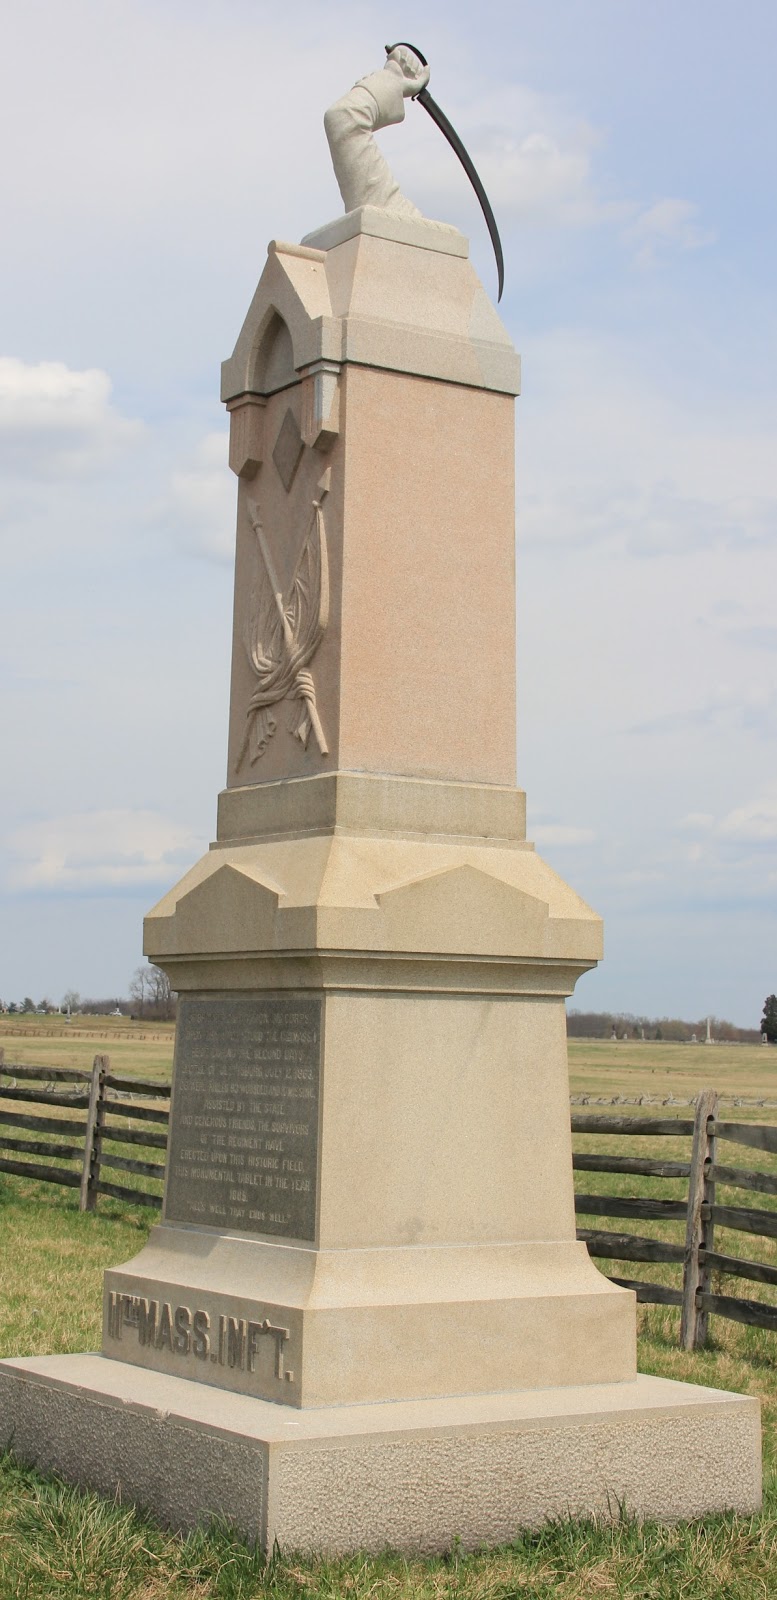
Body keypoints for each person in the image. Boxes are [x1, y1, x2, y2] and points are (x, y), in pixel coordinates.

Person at [324, 46, 431, 217]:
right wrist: (392, 78)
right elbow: (344, 118)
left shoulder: (392, 211)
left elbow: (344, 116)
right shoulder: (391, 210)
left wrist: (391, 78)